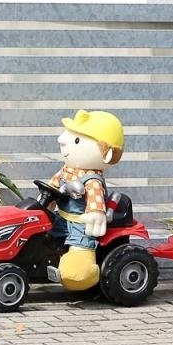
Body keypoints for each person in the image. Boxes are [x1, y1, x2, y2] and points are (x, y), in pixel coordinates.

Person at [44, 110, 125, 291]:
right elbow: (53, 187)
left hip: (81, 224)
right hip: (62, 218)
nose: (62, 140)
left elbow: (95, 202)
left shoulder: (92, 180)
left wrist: (96, 213)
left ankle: (83, 271)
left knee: (77, 273)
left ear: (106, 152)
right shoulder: (66, 170)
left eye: (77, 140)